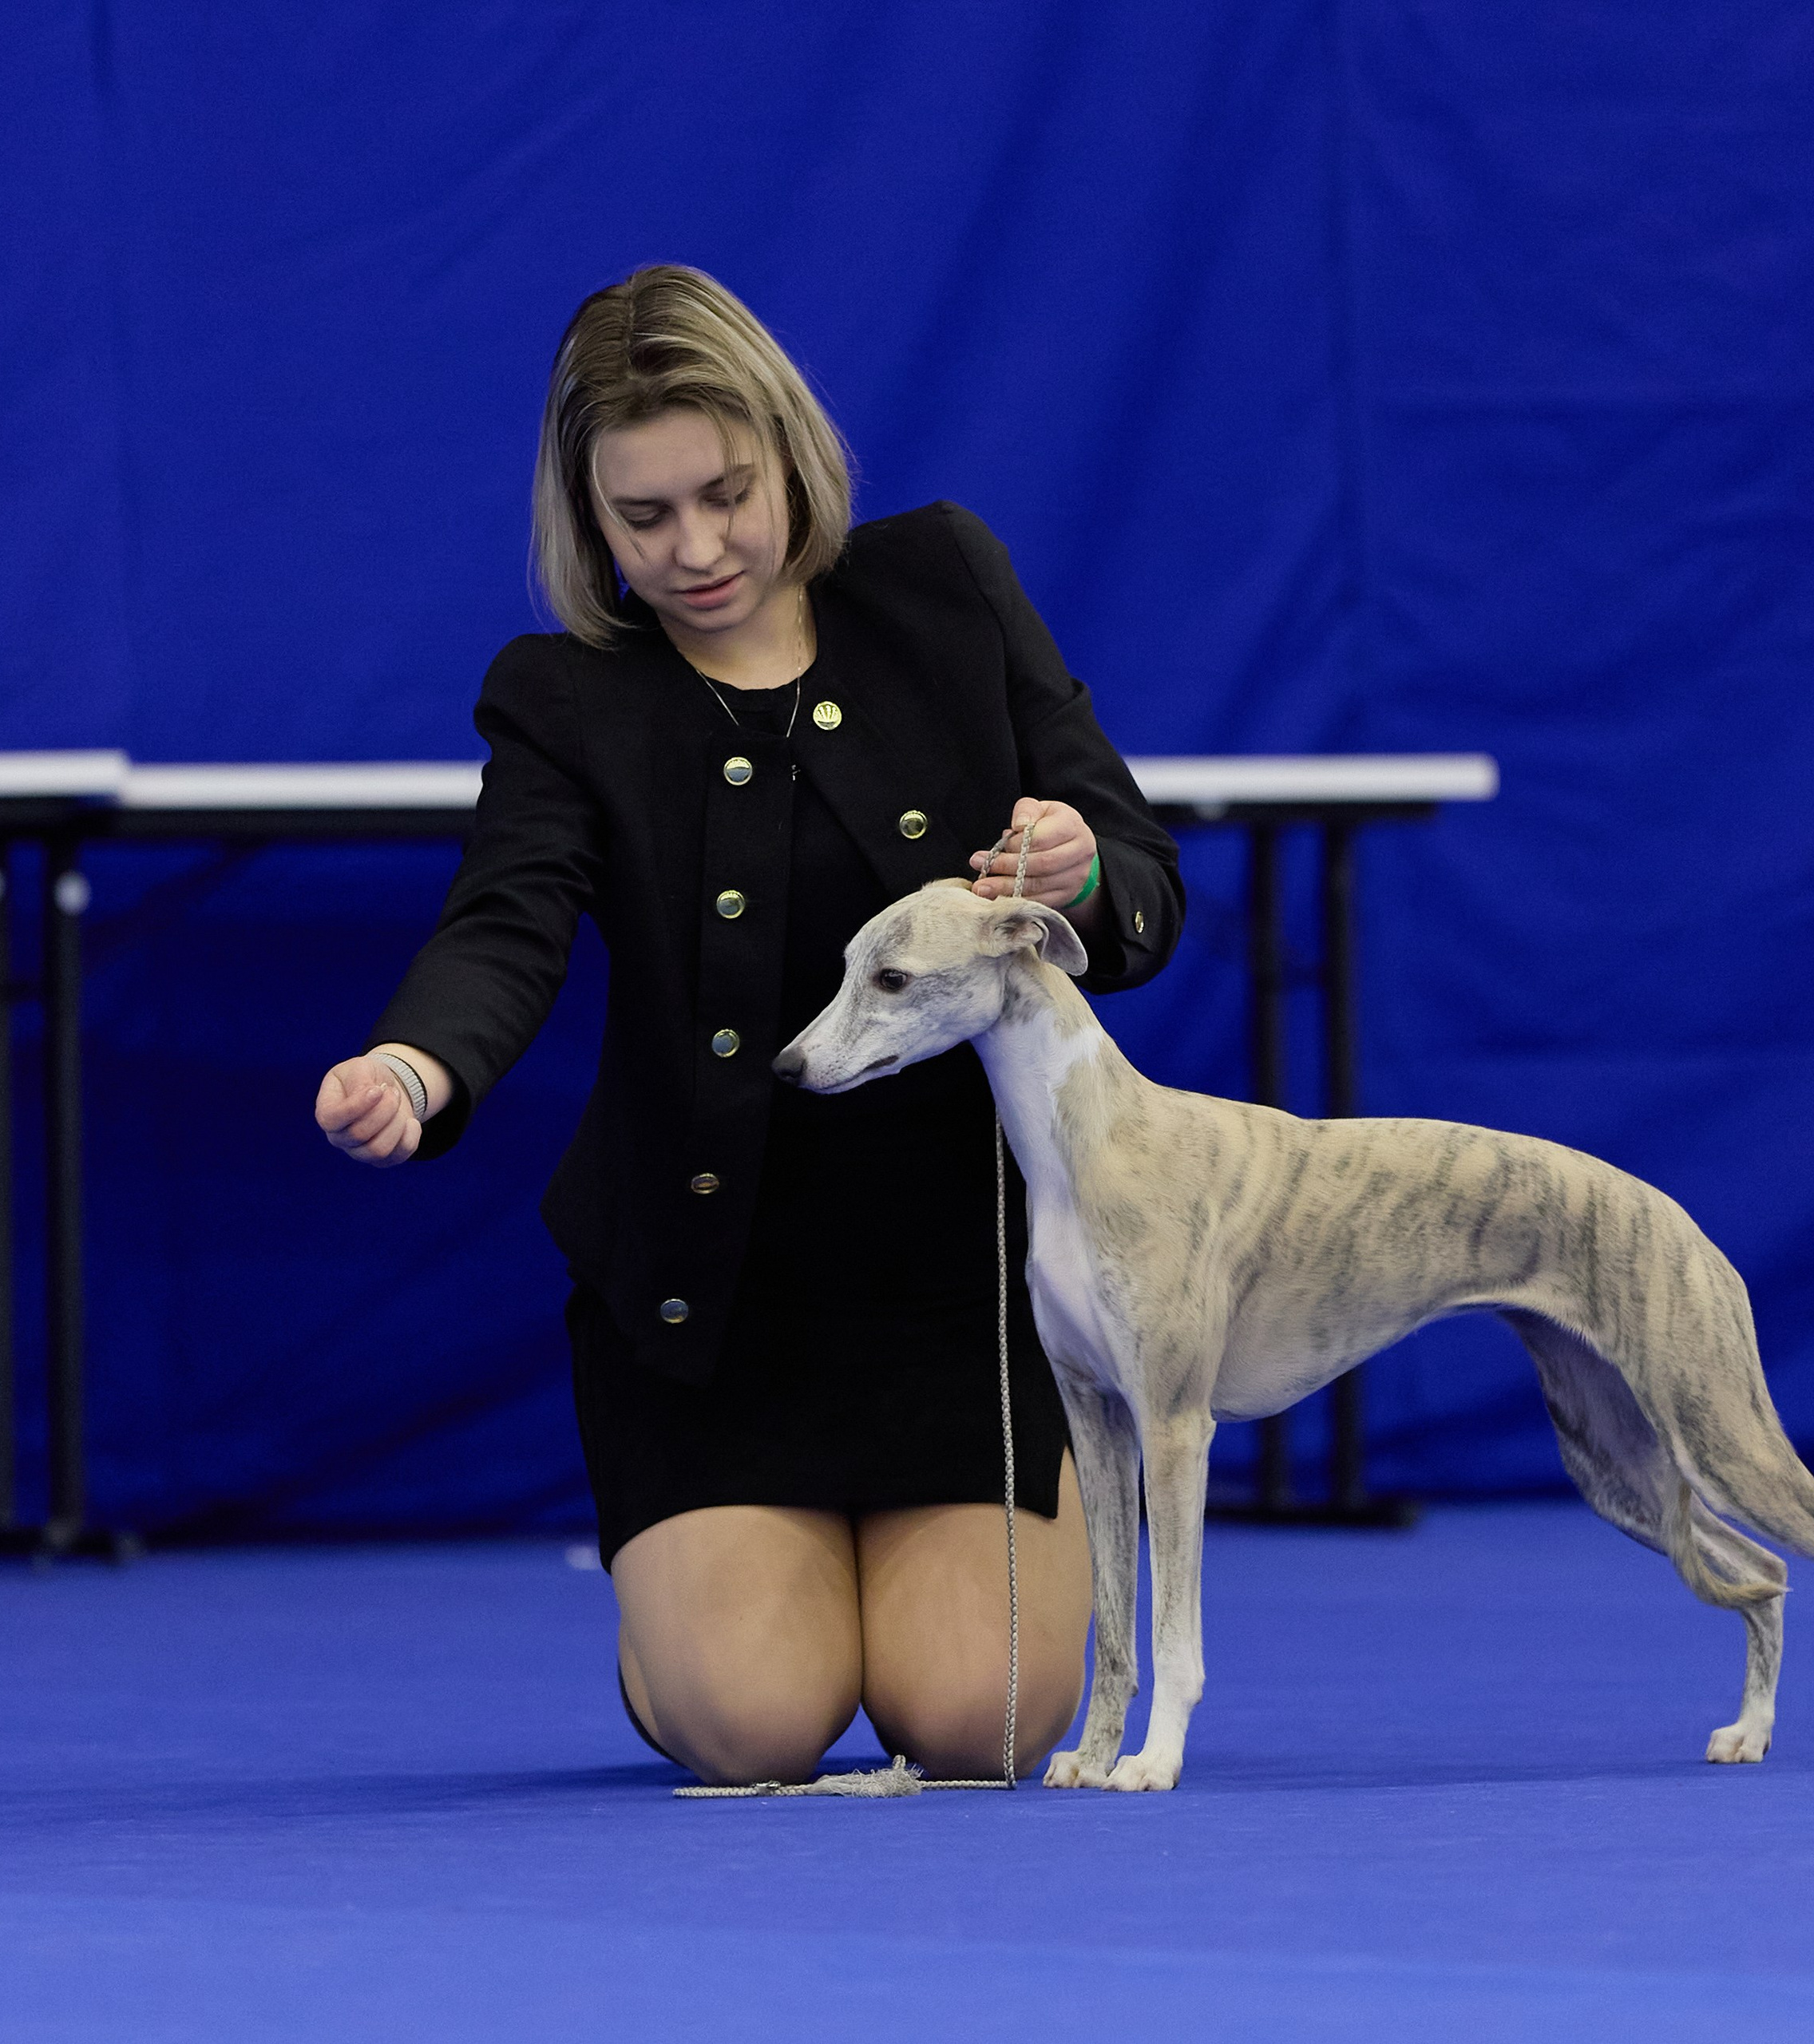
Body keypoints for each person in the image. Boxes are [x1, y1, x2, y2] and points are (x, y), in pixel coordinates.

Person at [314, 266, 1183, 1786]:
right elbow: (504, 924)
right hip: (706, 1311)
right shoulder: (561, 694)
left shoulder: (947, 589)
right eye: (643, 518)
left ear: (792, 451)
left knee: (979, 1725)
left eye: (726, 494)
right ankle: (692, 1624)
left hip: (958, 1303)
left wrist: (1084, 868)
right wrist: (416, 1060)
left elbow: (1143, 886)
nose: (695, 548)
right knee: (755, 1729)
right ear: (588, 518)